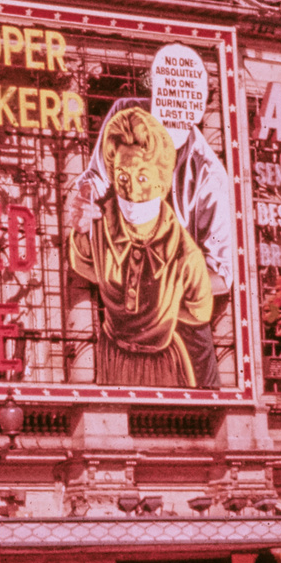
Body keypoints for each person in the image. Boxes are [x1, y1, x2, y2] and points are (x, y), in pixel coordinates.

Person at [66, 105, 213, 389]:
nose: (131, 190)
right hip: (111, 357)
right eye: (122, 176)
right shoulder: (99, 227)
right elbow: (81, 258)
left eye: (142, 177)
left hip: (161, 366)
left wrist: (164, 317)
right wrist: (81, 221)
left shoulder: (184, 253)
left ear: (162, 181)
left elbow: (199, 311)